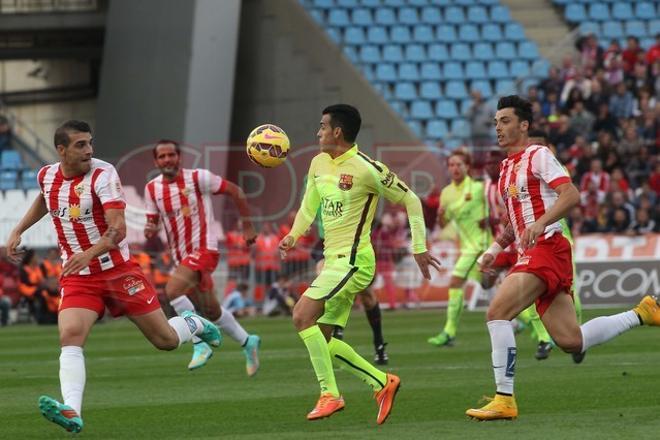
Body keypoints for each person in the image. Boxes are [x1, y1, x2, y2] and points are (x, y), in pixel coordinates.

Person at [5, 120, 221, 433]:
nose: (89, 150)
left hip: (118, 272)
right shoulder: (47, 175)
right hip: (79, 276)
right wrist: (17, 229)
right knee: (70, 337)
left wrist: (88, 254)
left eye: (90, 143)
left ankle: (195, 323)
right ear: (61, 150)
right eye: (80, 145)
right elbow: (44, 197)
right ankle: (72, 411)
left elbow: (117, 229)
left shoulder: (103, 174)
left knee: (165, 341)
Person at [465, 96, 660, 421]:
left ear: (524, 125)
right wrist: (494, 250)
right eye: (496, 121)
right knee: (571, 340)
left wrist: (541, 223)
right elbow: (513, 223)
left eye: (506, 120)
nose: (498, 127)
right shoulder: (504, 170)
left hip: (549, 247)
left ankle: (504, 399)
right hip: (534, 250)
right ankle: (643, 312)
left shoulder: (538, 155)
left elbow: (571, 194)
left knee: (497, 312)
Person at [279, 104, 441, 423]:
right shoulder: (318, 163)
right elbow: (308, 206)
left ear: (337, 132)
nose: (318, 132)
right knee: (323, 339)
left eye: (323, 127)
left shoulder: (368, 169)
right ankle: (382, 382)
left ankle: (330, 394)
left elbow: (411, 199)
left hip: (354, 261)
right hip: (333, 260)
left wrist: (419, 247)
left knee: (301, 315)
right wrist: (294, 236)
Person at [144, 139, 261, 375]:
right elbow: (152, 222)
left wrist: (247, 227)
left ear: (179, 157)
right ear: (156, 161)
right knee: (212, 311)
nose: (167, 160)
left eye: (171, 155)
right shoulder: (152, 189)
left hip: (204, 249)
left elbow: (235, 192)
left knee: (173, 291)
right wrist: (150, 229)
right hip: (181, 257)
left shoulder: (198, 178)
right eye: (162, 156)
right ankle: (248, 342)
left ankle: (200, 343)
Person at [427, 149, 491, 347]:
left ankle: (449, 332)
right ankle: (530, 326)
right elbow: (444, 222)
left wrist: (489, 220)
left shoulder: (479, 188)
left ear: (467, 167)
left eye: (459, 165)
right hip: (467, 247)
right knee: (491, 286)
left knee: (455, 282)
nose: (454, 168)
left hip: (483, 244)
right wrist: (440, 217)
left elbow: (496, 210)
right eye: (451, 165)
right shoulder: (446, 193)